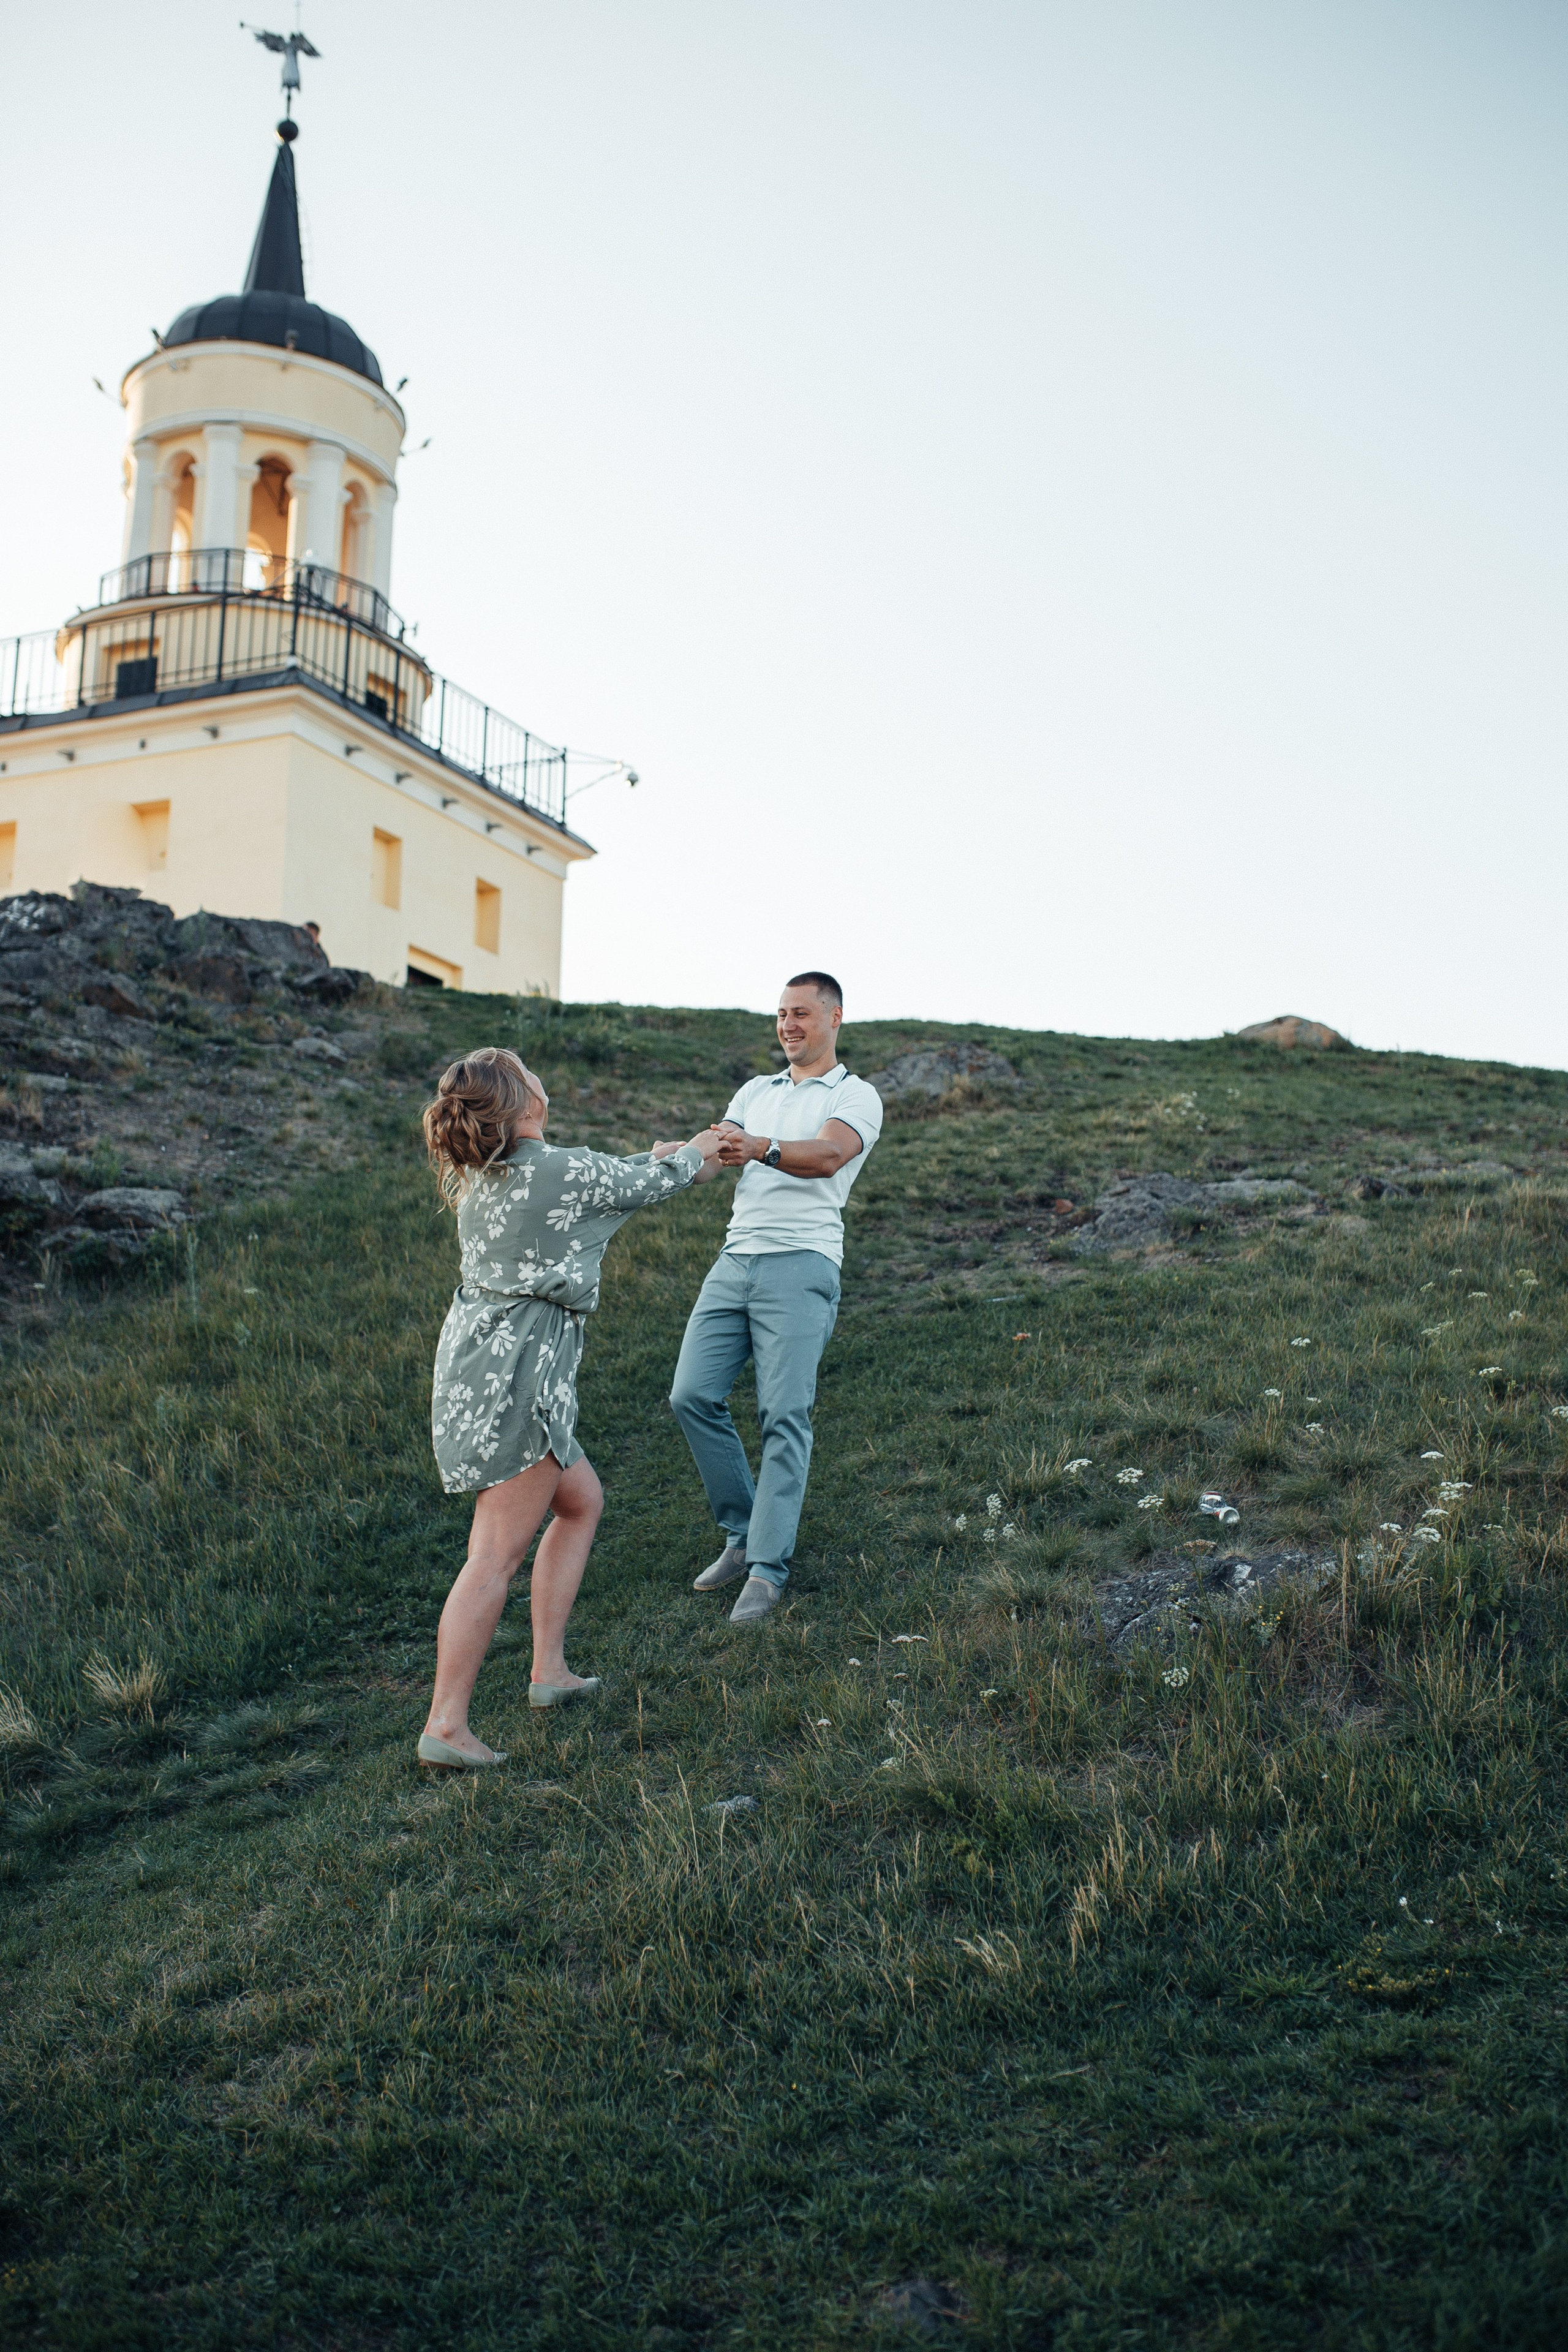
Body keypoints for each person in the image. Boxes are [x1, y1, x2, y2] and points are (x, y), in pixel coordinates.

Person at [418, 1047, 723, 1768]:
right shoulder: (559, 1169)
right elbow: (663, 1178)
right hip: (520, 1380)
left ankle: (548, 1671)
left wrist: (663, 1161)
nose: (537, 1076)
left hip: (483, 1371)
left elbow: (618, 1181)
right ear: (523, 1102)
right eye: (526, 1071)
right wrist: (705, 1147)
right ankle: (446, 1725)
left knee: (580, 1500)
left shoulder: (486, 1177)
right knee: (494, 1554)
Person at [666, 973, 883, 1625]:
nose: (788, 1025)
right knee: (691, 1395)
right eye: (781, 1015)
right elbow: (713, 1159)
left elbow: (827, 1156)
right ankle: (741, 1535)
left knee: (784, 1412)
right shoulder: (754, 1091)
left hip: (803, 1262)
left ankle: (767, 1568)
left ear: (834, 1017)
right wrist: (678, 1157)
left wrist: (760, 1147)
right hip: (736, 1260)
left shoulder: (855, 1094)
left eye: (801, 1014)